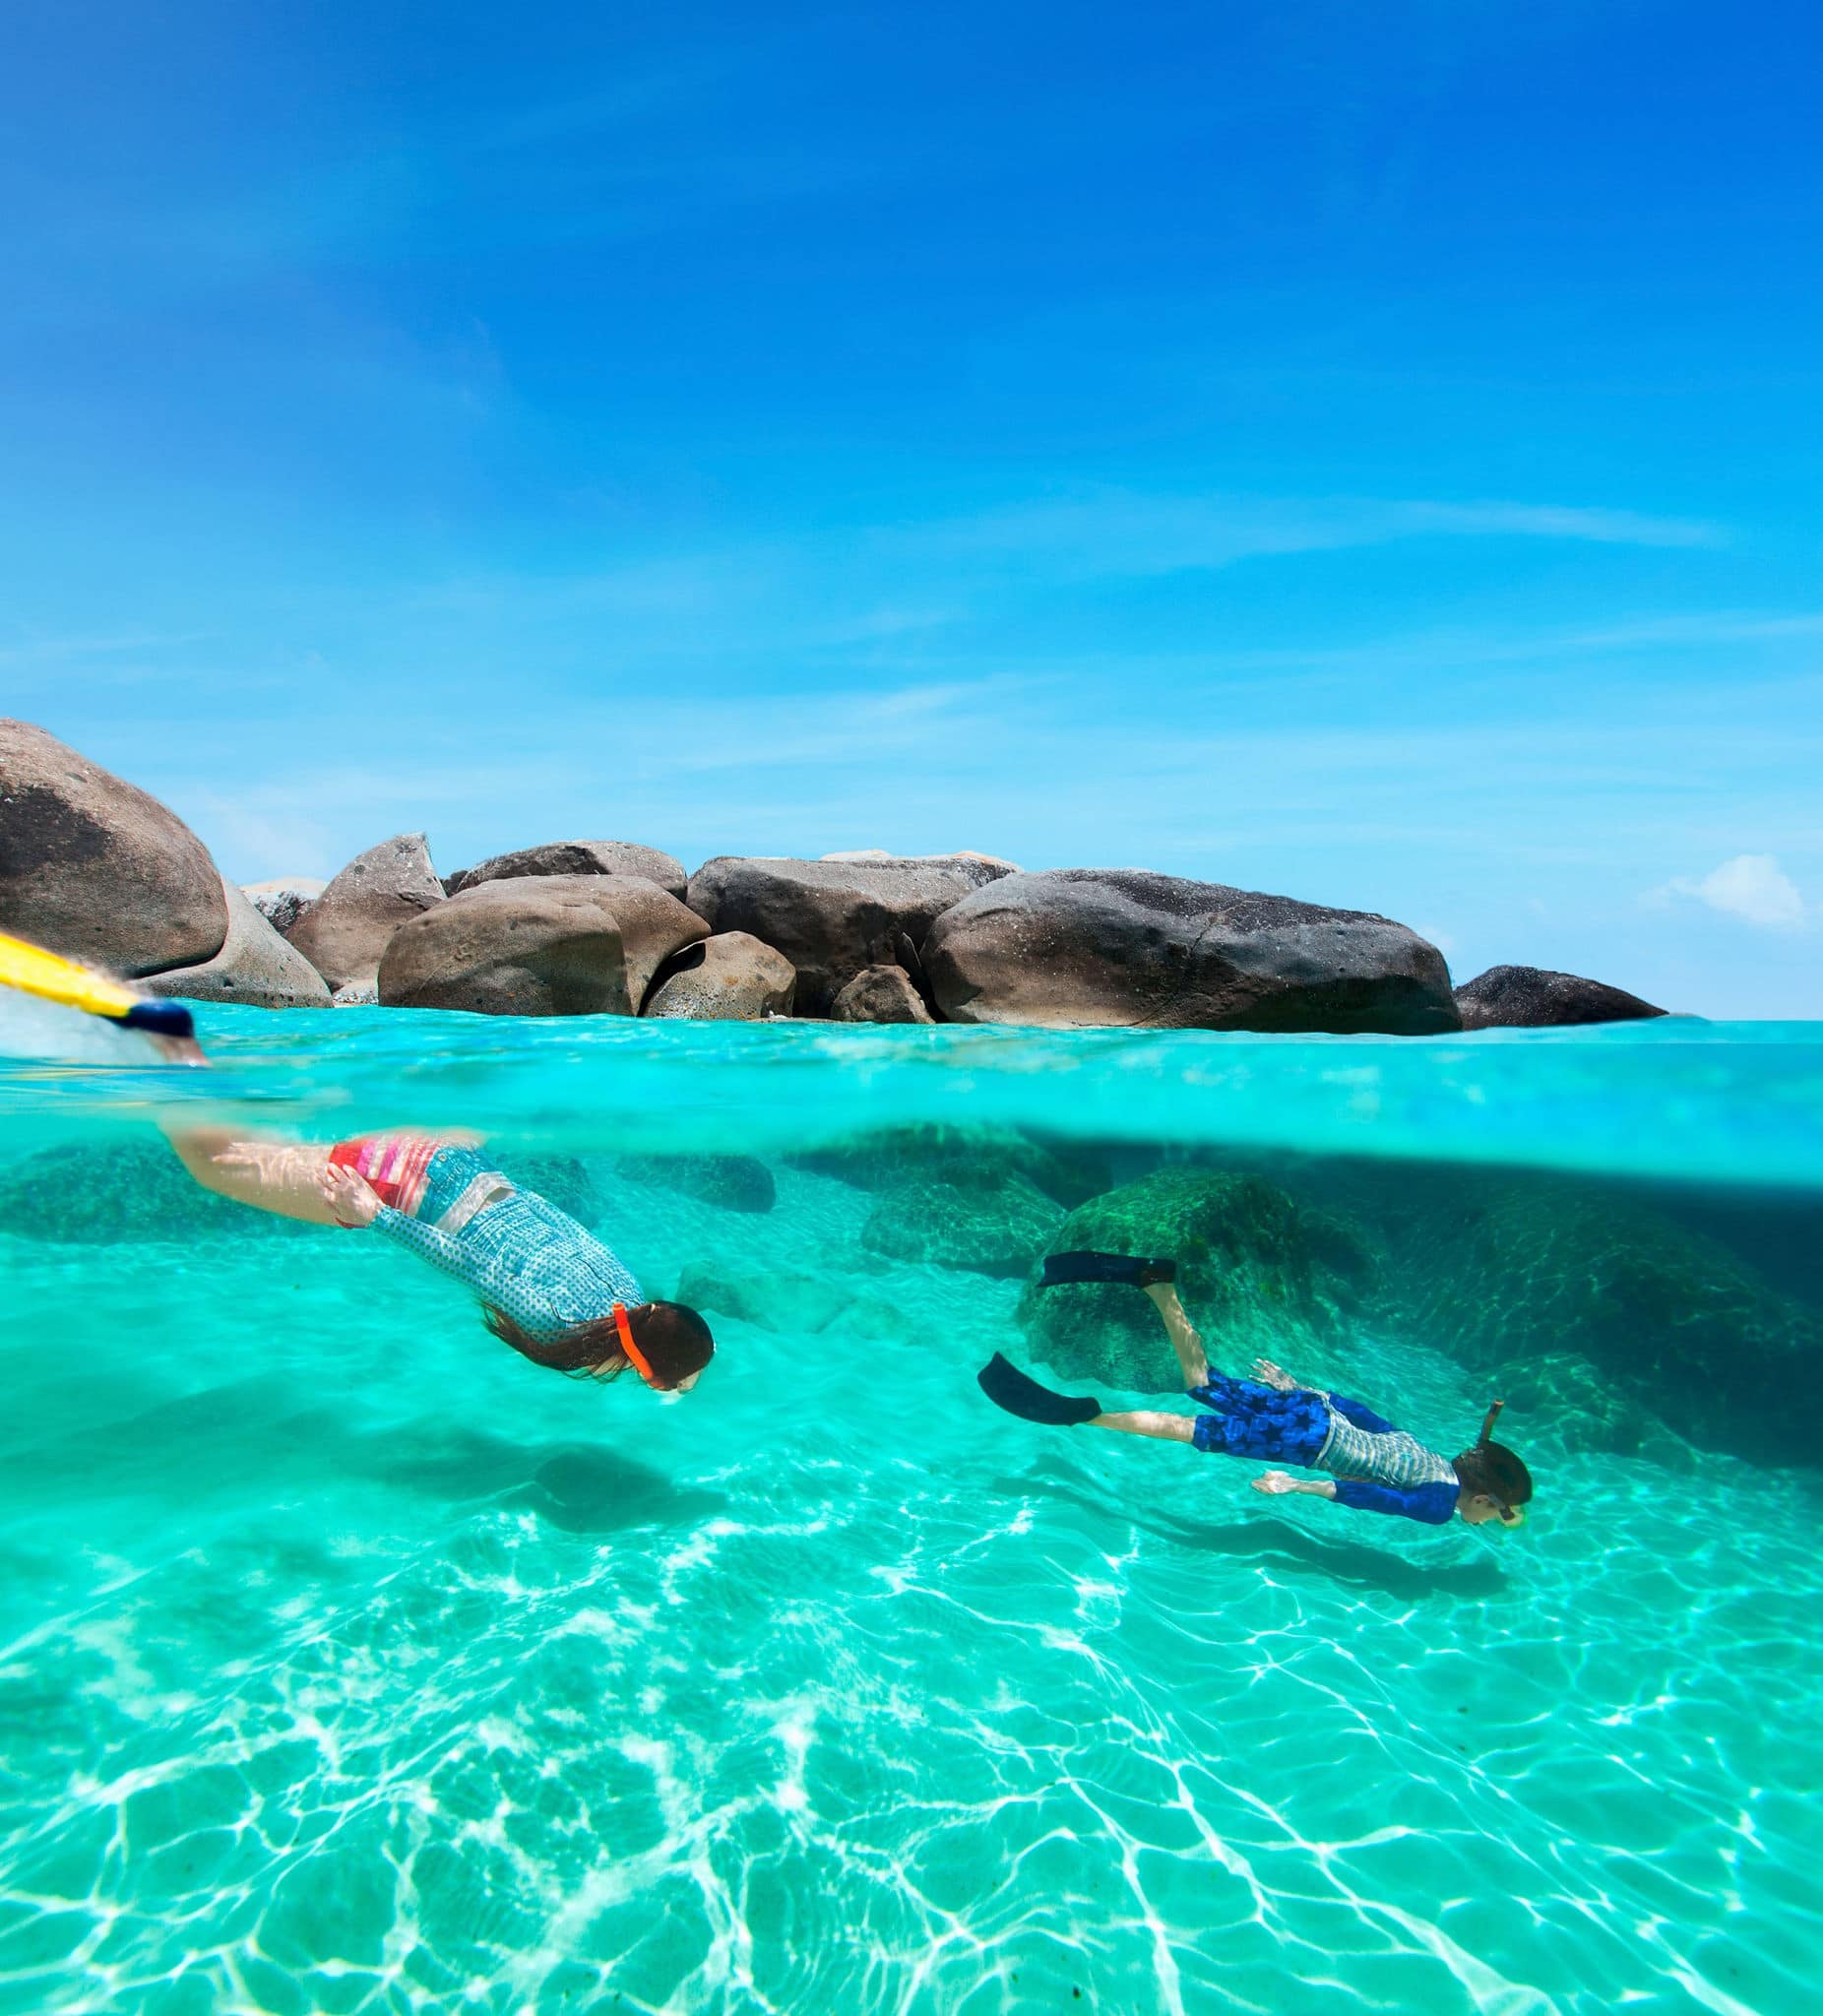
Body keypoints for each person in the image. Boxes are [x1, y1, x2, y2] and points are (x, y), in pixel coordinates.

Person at [978, 1253, 1532, 1528]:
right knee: (1194, 1432)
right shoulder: (1438, 1504)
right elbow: (1369, 1496)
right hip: (1306, 1442)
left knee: (1201, 1383)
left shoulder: (1431, 1455)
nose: (1491, 1521)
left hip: (1311, 1411)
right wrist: (1295, 1485)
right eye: (1499, 1514)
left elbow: (1369, 1417)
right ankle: (1082, 1416)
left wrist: (1303, 1388)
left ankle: (1157, 1283)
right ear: (1482, 1498)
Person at [164, 1122, 715, 1394]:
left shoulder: (624, 1287)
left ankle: (176, 1065)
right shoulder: (560, 1325)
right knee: (215, 1164)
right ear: (648, 1374)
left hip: (451, 1159)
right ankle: (152, 1071)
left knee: (252, 1146)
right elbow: (470, 1264)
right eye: (670, 1386)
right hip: (398, 1184)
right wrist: (375, 1214)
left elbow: (543, 1210)